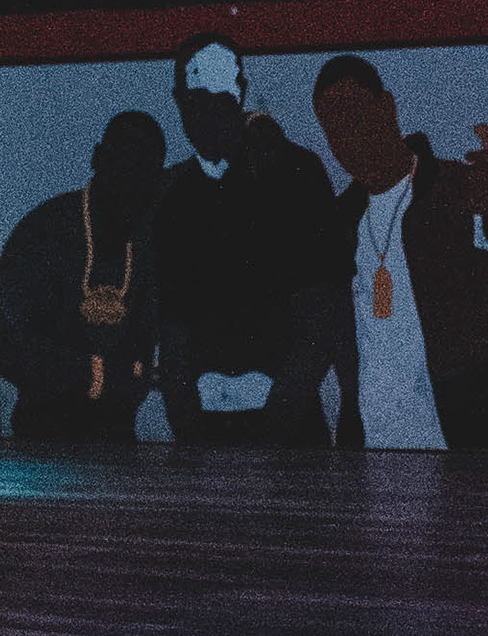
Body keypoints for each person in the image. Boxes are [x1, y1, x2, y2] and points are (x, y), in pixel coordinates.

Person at [308, 56, 488, 450]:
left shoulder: (459, 187)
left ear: (387, 106)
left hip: (468, 446)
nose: (348, 135)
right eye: (333, 127)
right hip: (370, 451)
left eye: (356, 114)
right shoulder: (339, 222)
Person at [147, 37, 346, 444]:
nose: (207, 116)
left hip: (286, 430)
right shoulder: (174, 197)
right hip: (212, 428)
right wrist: (190, 431)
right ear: (179, 100)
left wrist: (277, 424)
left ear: (239, 94)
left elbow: (322, 316)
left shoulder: (294, 175)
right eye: (197, 102)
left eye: (220, 101)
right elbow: (172, 333)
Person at [0, 106, 169, 443]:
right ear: (98, 157)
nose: (132, 178)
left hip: (118, 444)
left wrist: (122, 379)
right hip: (42, 441)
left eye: (146, 170)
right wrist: (91, 376)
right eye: (124, 160)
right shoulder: (47, 230)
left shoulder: (149, 243)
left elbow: (146, 351)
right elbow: (0, 338)